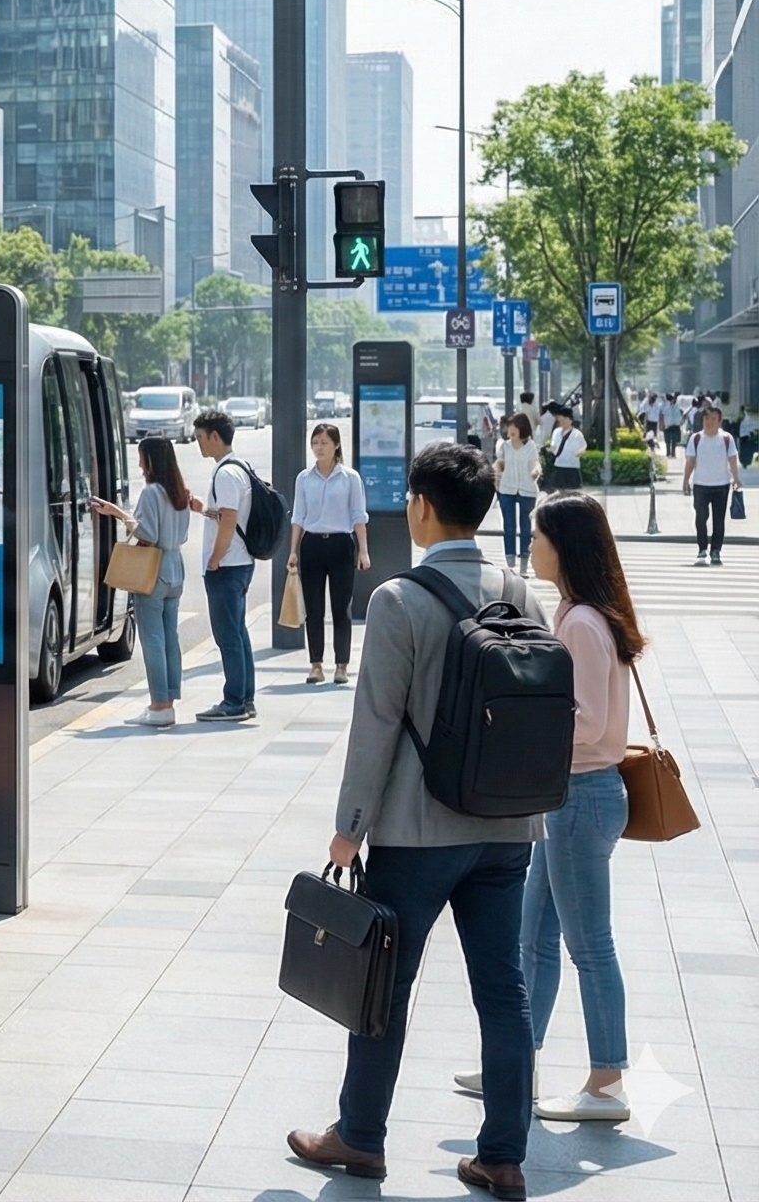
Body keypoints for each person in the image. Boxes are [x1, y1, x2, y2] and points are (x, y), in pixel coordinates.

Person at [288, 443, 545, 1202]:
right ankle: (501, 1155)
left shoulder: (400, 600)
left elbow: (376, 726)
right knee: (504, 991)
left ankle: (360, 1138)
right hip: (506, 830)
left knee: (385, 987)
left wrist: (349, 826)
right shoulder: (522, 592)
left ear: (423, 508)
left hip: (416, 832)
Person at [448, 494, 635, 1125]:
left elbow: (589, 721)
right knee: (534, 936)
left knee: (589, 945)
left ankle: (607, 1082)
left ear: (566, 545)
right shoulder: (577, 612)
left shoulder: (581, 621)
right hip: (573, 797)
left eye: (538, 535)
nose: (529, 544)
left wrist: (520, 731)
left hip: (583, 796)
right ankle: (517, 1065)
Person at [90, 436, 188, 727]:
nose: (139, 464)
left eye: (141, 457)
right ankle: (167, 702)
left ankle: (158, 705)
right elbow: (179, 536)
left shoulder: (151, 493)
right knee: (170, 637)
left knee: (153, 640)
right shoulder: (181, 492)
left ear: (151, 460)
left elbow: (147, 535)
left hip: (153, 571)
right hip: (175, 568)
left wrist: (118, 514)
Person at [289, 422, 370, 684]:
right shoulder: (303, 478)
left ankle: (341, 665)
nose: (319, 447)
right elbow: (298, 517)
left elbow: (358, 516)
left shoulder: (350, 478)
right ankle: (315, 665)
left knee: (340, 608)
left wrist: (363, 551)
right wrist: (293, 551)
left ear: (336, 445)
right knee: (313, 608)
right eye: (315, 442)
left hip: (341, 544)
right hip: (311, 544)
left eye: (324, 442)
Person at [191, 409, 258, 722]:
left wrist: (215, 558)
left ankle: (234, 701)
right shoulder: (240, 467)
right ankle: (245, 698)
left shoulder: (226, 472)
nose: (199, 444)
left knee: (228, 636)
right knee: (237, 632)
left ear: (215, 436)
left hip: (228, 565)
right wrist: (203, 510)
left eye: (201, 438)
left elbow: (230, 518)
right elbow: (226, 514)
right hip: (240, 562)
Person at [687, 402, 743, 565]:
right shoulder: (696, 438)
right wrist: (686, 481)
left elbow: (732, 459)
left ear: (719, 421)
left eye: (713, 418)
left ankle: (716, 550)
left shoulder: (726, 439)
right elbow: (690, 461)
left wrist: (736, 479)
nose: (709, 421)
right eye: (706, 418)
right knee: (700, 518)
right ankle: (702, 549)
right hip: (700, 485)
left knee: (719, 520)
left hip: (721, 485)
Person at [492, 413, 542, 567]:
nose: (510, 430)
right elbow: (500, 462)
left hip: (527, 490)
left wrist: (535, 472)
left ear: (522, 428)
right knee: (509, 527)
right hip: (507, 488)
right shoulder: (505, 446)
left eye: (514, 427)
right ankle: (510, 562)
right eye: (509, 427)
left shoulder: (531, 446)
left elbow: (536, 464)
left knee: (526, 527)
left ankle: (524, 562)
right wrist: (496, 472)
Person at [544, 406, 586, 492]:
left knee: (571, 492)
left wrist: (577, 453)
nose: (562, 421)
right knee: (560, 492)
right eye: (560, 419)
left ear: (570, 420)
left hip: (571, 467)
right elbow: (553, 446)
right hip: (559, 465)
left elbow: (583, 447)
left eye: (565, 419)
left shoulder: (577, 434)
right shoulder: (556, 432)